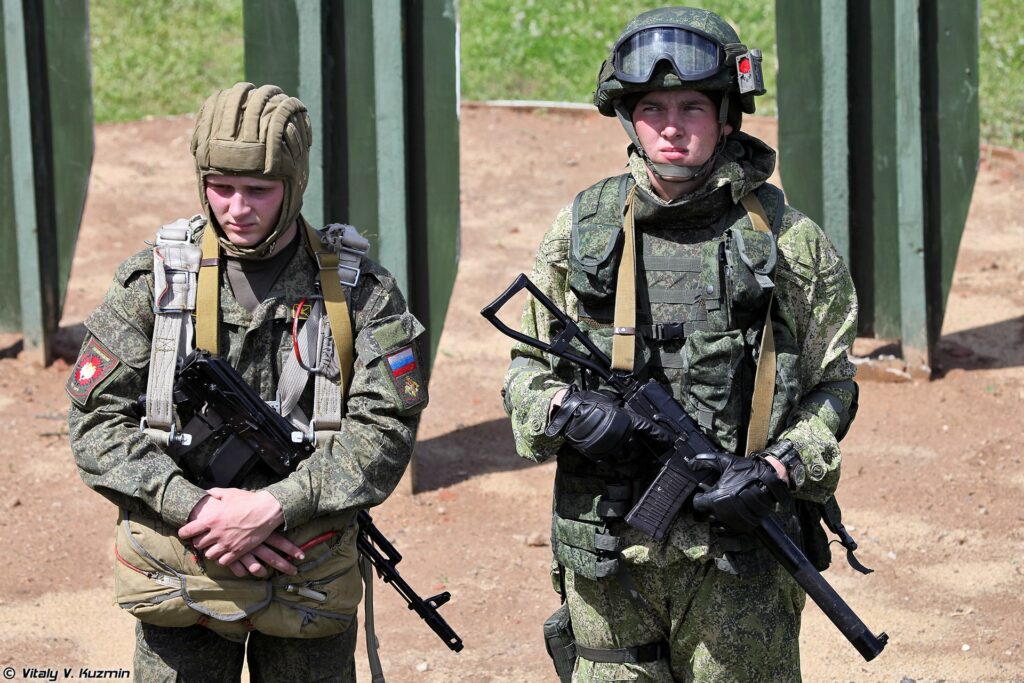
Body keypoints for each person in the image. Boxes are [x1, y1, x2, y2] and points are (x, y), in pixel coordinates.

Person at [502, 7, 859, 682]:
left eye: (693, 106)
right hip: (609, 559)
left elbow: (835, 385)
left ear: (728, 114)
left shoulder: (788, 241)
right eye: (653, 107)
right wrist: (565, 412)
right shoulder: (583, 229)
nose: (671, 125)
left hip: (739, 559)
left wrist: (778, 467)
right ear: (626, 114)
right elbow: (525, 372)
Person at [67, 82, 428, 681]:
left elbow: (384, 432)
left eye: (259, 189)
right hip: (182, 565)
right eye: (221, 187)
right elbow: (96, 424)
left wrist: (275, 506)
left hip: (304, 572)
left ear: (294, 185)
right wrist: (200, 508)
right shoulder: (155, 283)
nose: (237, 207)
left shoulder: (360, 292)